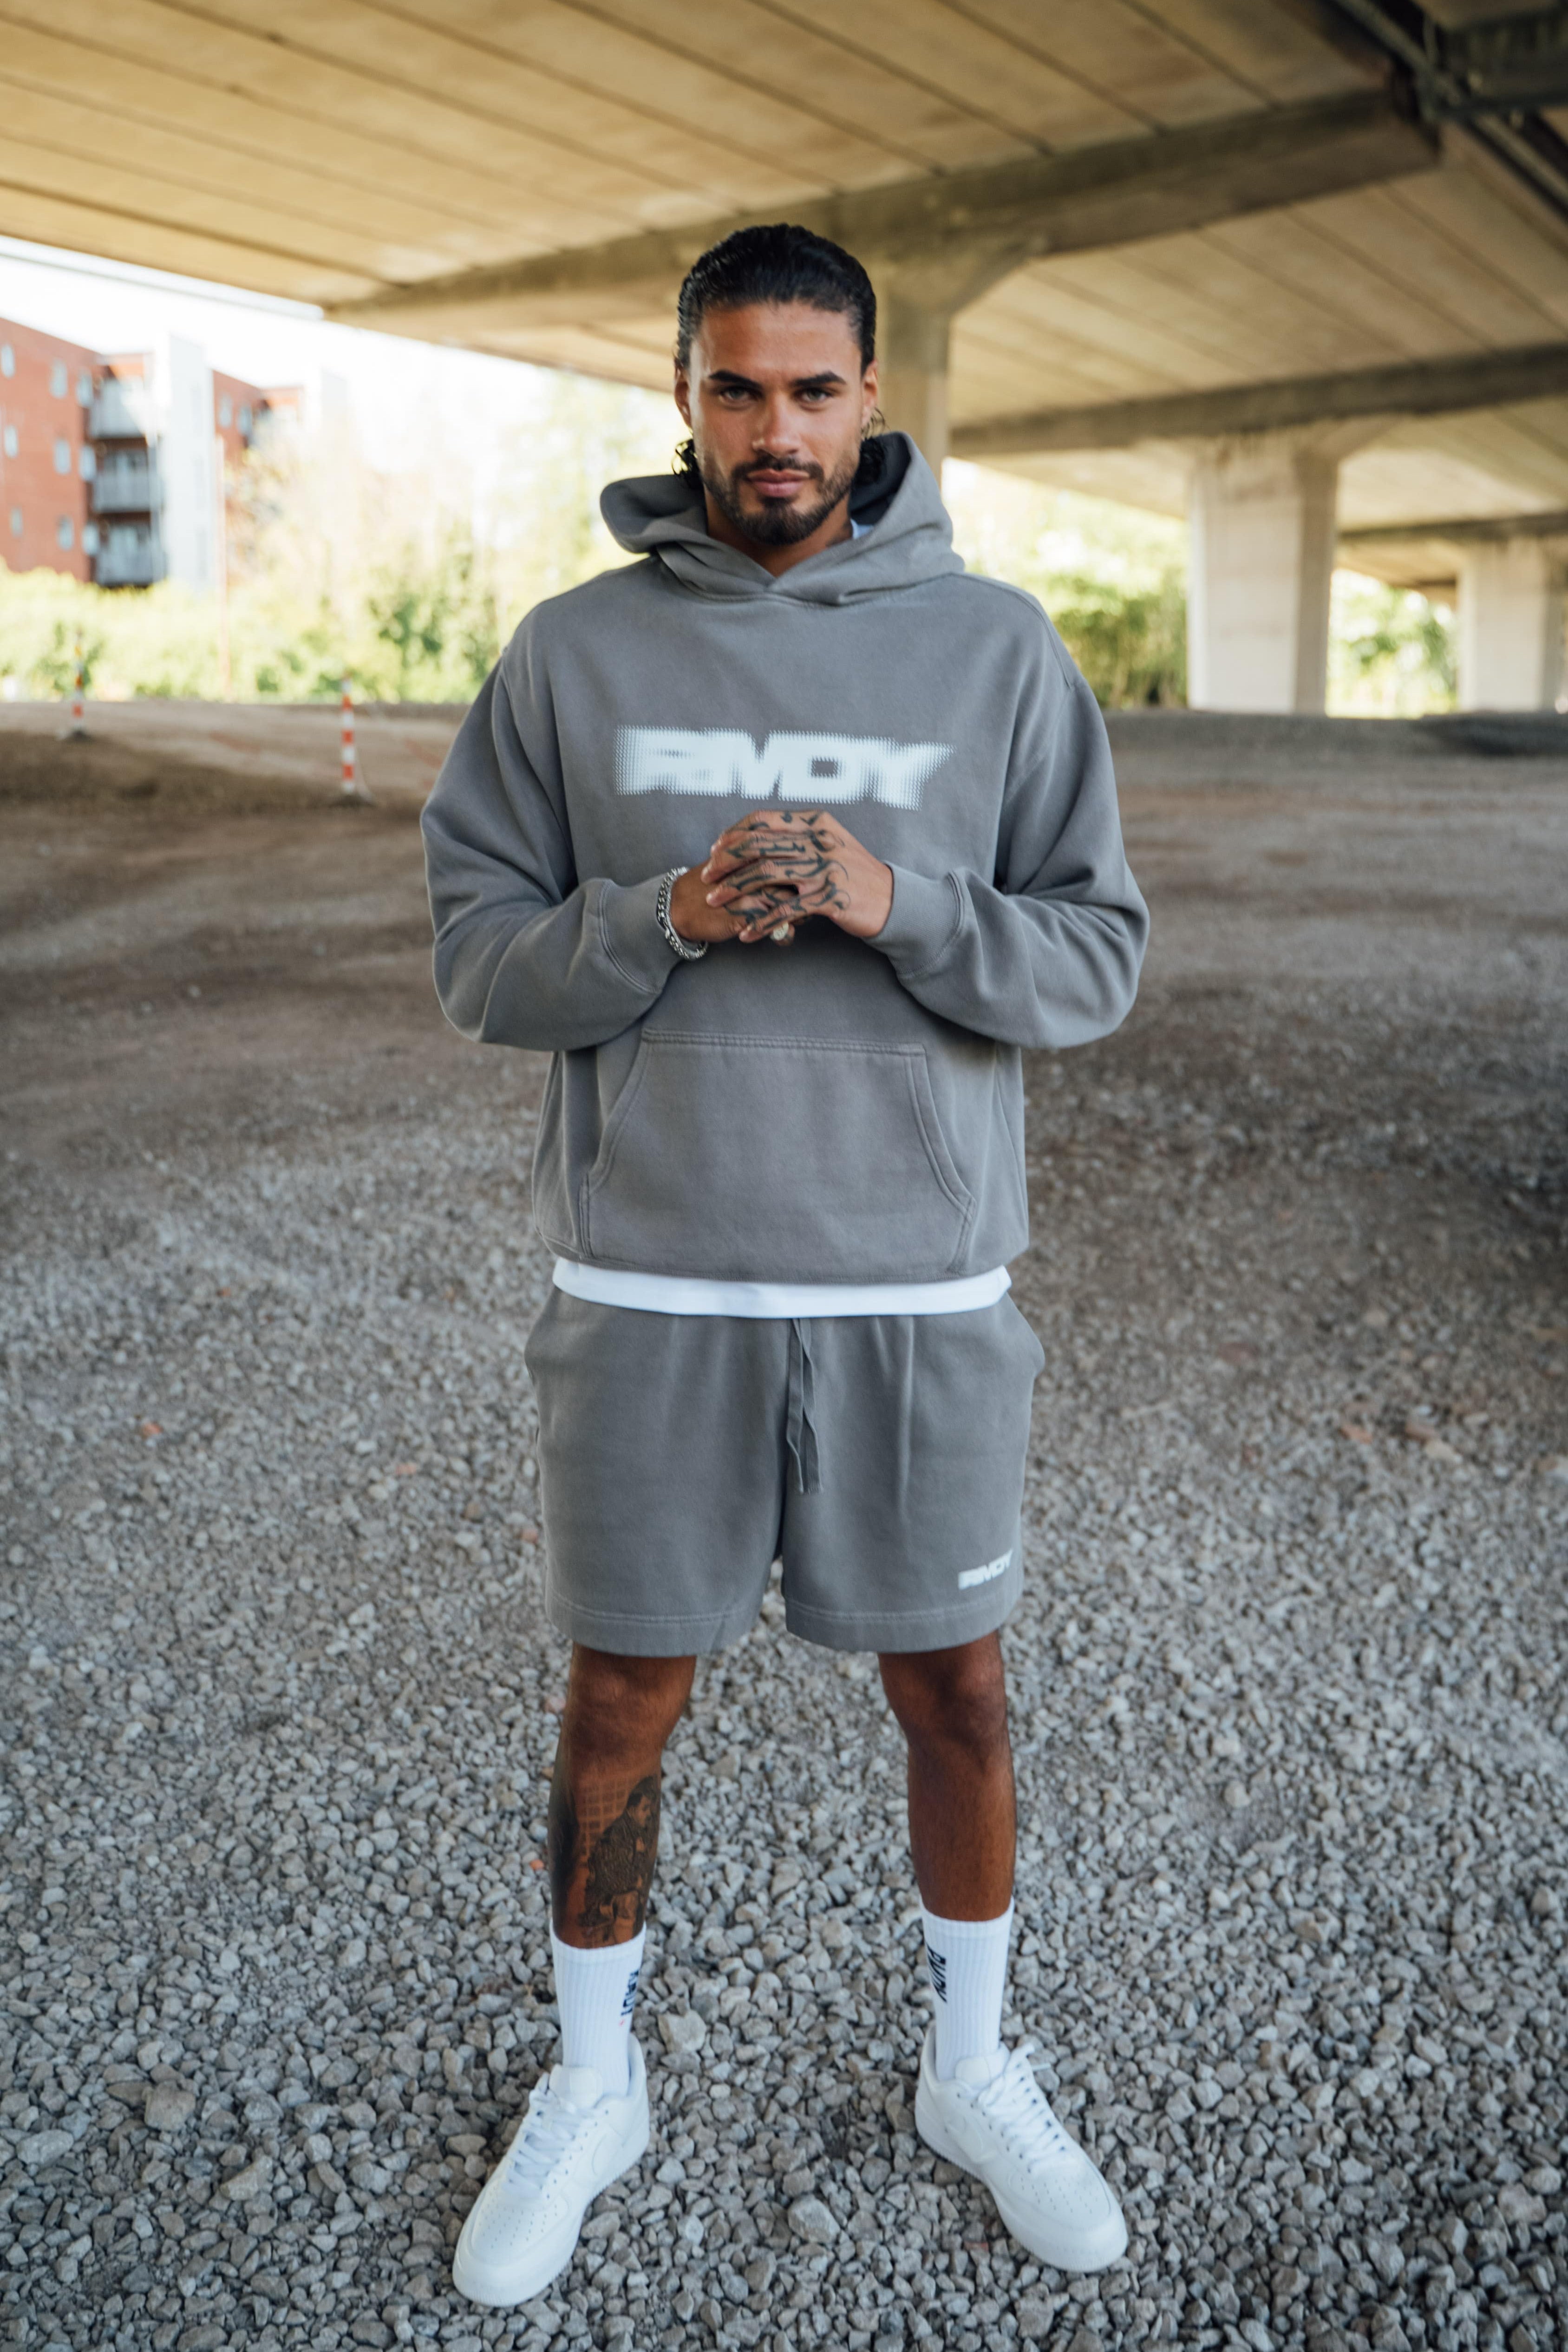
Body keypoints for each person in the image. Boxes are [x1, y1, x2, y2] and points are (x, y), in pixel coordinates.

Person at [421, 222, 1149, 2311]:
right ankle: (594, 2084)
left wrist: (900, 904)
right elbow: (478, 962)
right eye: (735, 387)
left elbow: (1095, 960)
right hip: (652, 1281)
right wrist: (660, 917)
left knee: (962, 1693)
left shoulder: (995, 651)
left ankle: (972, 2067)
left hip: (919, 1282)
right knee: (617, 1705)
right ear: (682, 396)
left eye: (813, 390)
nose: (775, 429)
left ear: (871, 398)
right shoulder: (570, 655)